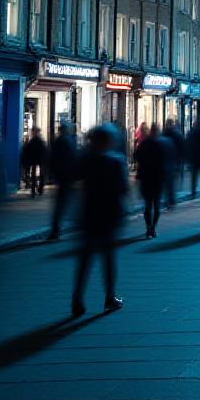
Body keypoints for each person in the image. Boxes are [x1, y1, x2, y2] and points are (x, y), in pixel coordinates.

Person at [72, 124, 128, 317]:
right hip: (109, 215)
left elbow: (76, 181)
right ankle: (109, 297)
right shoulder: (116, 162)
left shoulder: (85, 160)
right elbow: (123, 190)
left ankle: (77, 299)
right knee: (108, 259)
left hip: (89, 214)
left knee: (85, 260)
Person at [134, 124, 168, 238]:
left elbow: (136, 156)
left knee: (148, 205)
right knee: (157, 205)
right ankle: (153, 227)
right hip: (157, 179)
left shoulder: (144, 144)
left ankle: (149, 227)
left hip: (146, 178)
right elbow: (164, 163)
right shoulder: (160, 145)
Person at [48, 121, 79, 241]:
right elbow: (73, 159)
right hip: (67, 177)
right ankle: (56, 230)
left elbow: (53, 159)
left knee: (62, 204)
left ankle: (56, 230)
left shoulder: (60, 141)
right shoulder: (68, 141)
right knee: (64, 204)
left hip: (63, 177)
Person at [19, 127, 48, 196]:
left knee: (36, 175)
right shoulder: (39, 141)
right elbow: (44, 151)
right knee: (38, 175)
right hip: (37, 160)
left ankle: (35, 190)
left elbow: (27, 152)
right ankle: (37, 190)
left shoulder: (32, 141)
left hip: (35, 160)